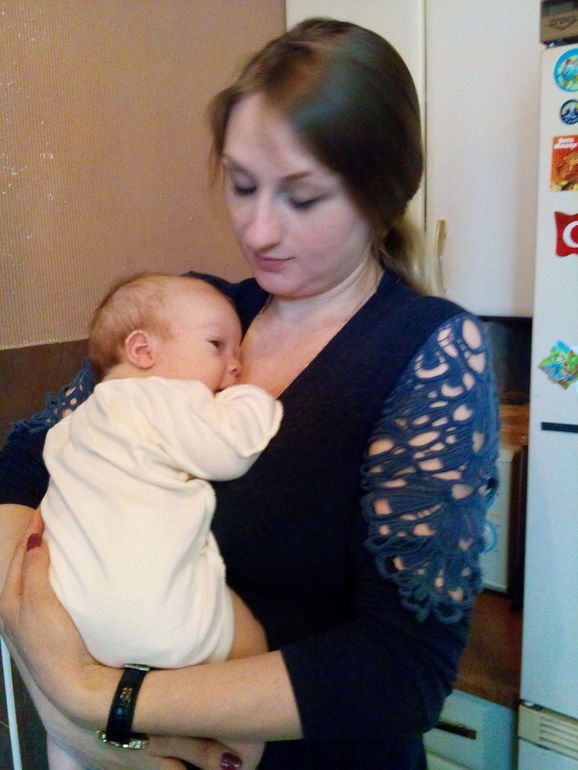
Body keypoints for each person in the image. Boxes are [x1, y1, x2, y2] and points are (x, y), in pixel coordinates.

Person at [0, 17, 499, 770]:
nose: (258, 229)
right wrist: (33, 644)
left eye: (303, 197)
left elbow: (402, 669)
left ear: (381, 194)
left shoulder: (431, 350)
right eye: (241, 185)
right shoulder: (194, 317)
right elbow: (23, 465)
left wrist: (99, 697)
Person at [38, 272, 282, 770]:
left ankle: (68, 757)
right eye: (216, 345)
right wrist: (250, 397)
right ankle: (237, 757)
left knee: (73, 739)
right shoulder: (163, 397)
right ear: (143, 351)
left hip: (76, 624)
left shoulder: (69, 428)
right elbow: (229, 450)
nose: (234, 364)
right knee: (250, 641)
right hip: (160, 616)